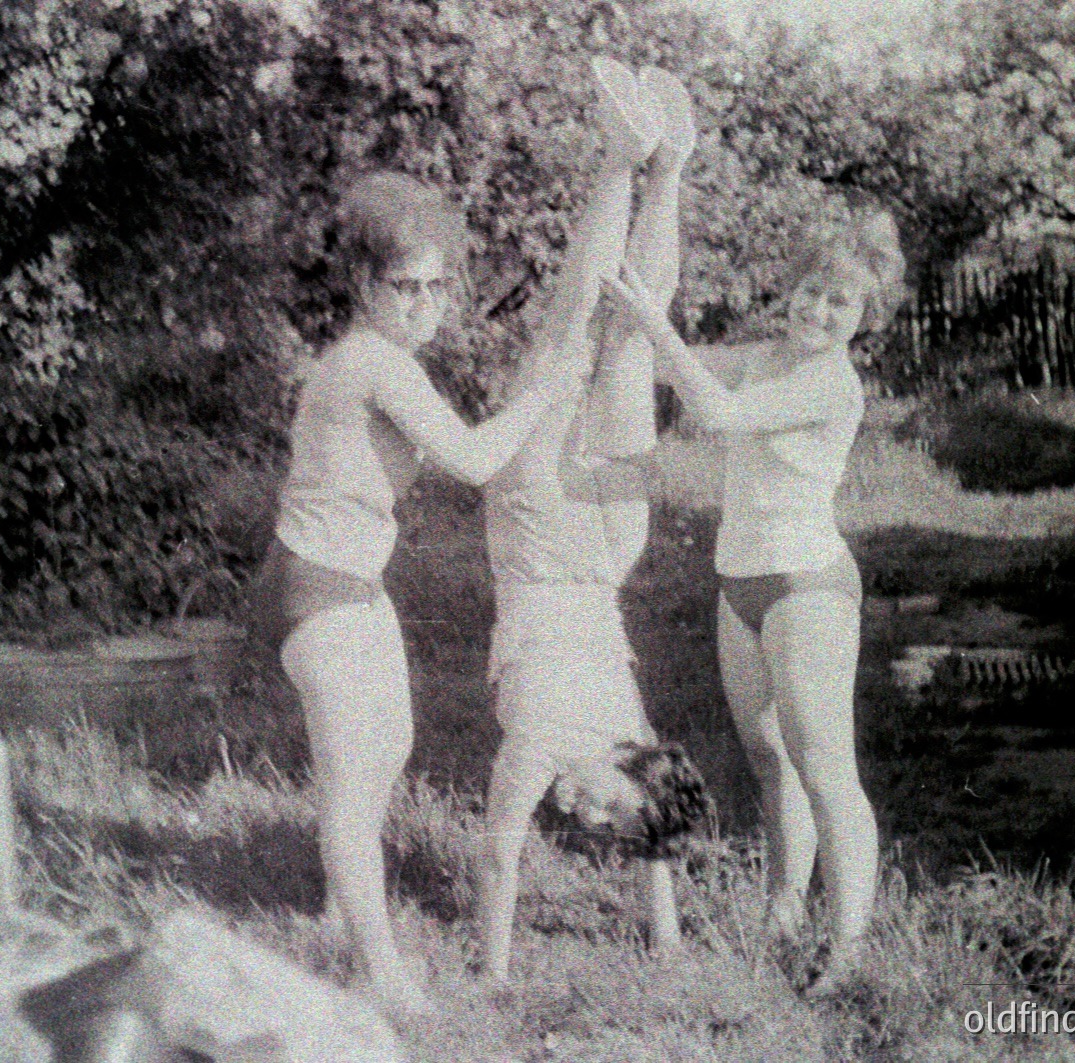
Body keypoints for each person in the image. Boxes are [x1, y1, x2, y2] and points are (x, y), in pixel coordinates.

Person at [260, 166, 585, 1015]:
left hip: (352, 583)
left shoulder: (383, 357)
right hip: (314, 585)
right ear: (365, 284)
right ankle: (380, 971)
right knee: (356, 767)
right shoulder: (373, 360)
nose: (424, 303)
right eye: (405, 285)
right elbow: (476, 461)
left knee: (392, 742)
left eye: (439, 284)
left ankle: (342, 904)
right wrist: (548, 391)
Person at [607, 207, 905, 995]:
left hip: (805, 586)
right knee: (770, 761)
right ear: (789, 291)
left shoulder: (829, 382)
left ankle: (847, 948)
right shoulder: (765, 356)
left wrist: (652, 324)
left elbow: (719, 411)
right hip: (738, 585)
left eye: (837, 303)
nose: (816, 310)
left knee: (824, 766)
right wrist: (628, 322)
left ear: (863, 319)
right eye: (808, 292)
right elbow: (674, 368)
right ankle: (783, 908)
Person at [476, 60, 708, 985]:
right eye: (607, 814)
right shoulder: (547, 739)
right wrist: (492, 974)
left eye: (596, 827)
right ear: (638, 772)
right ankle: (632, 161)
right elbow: (497, 857)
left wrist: (669, 932)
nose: (586, 819)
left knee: (621, 337)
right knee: (588, 328)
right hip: (553, 547)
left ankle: (666, 164)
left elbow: (646, 815)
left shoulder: (626, 741)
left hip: (602, 555)